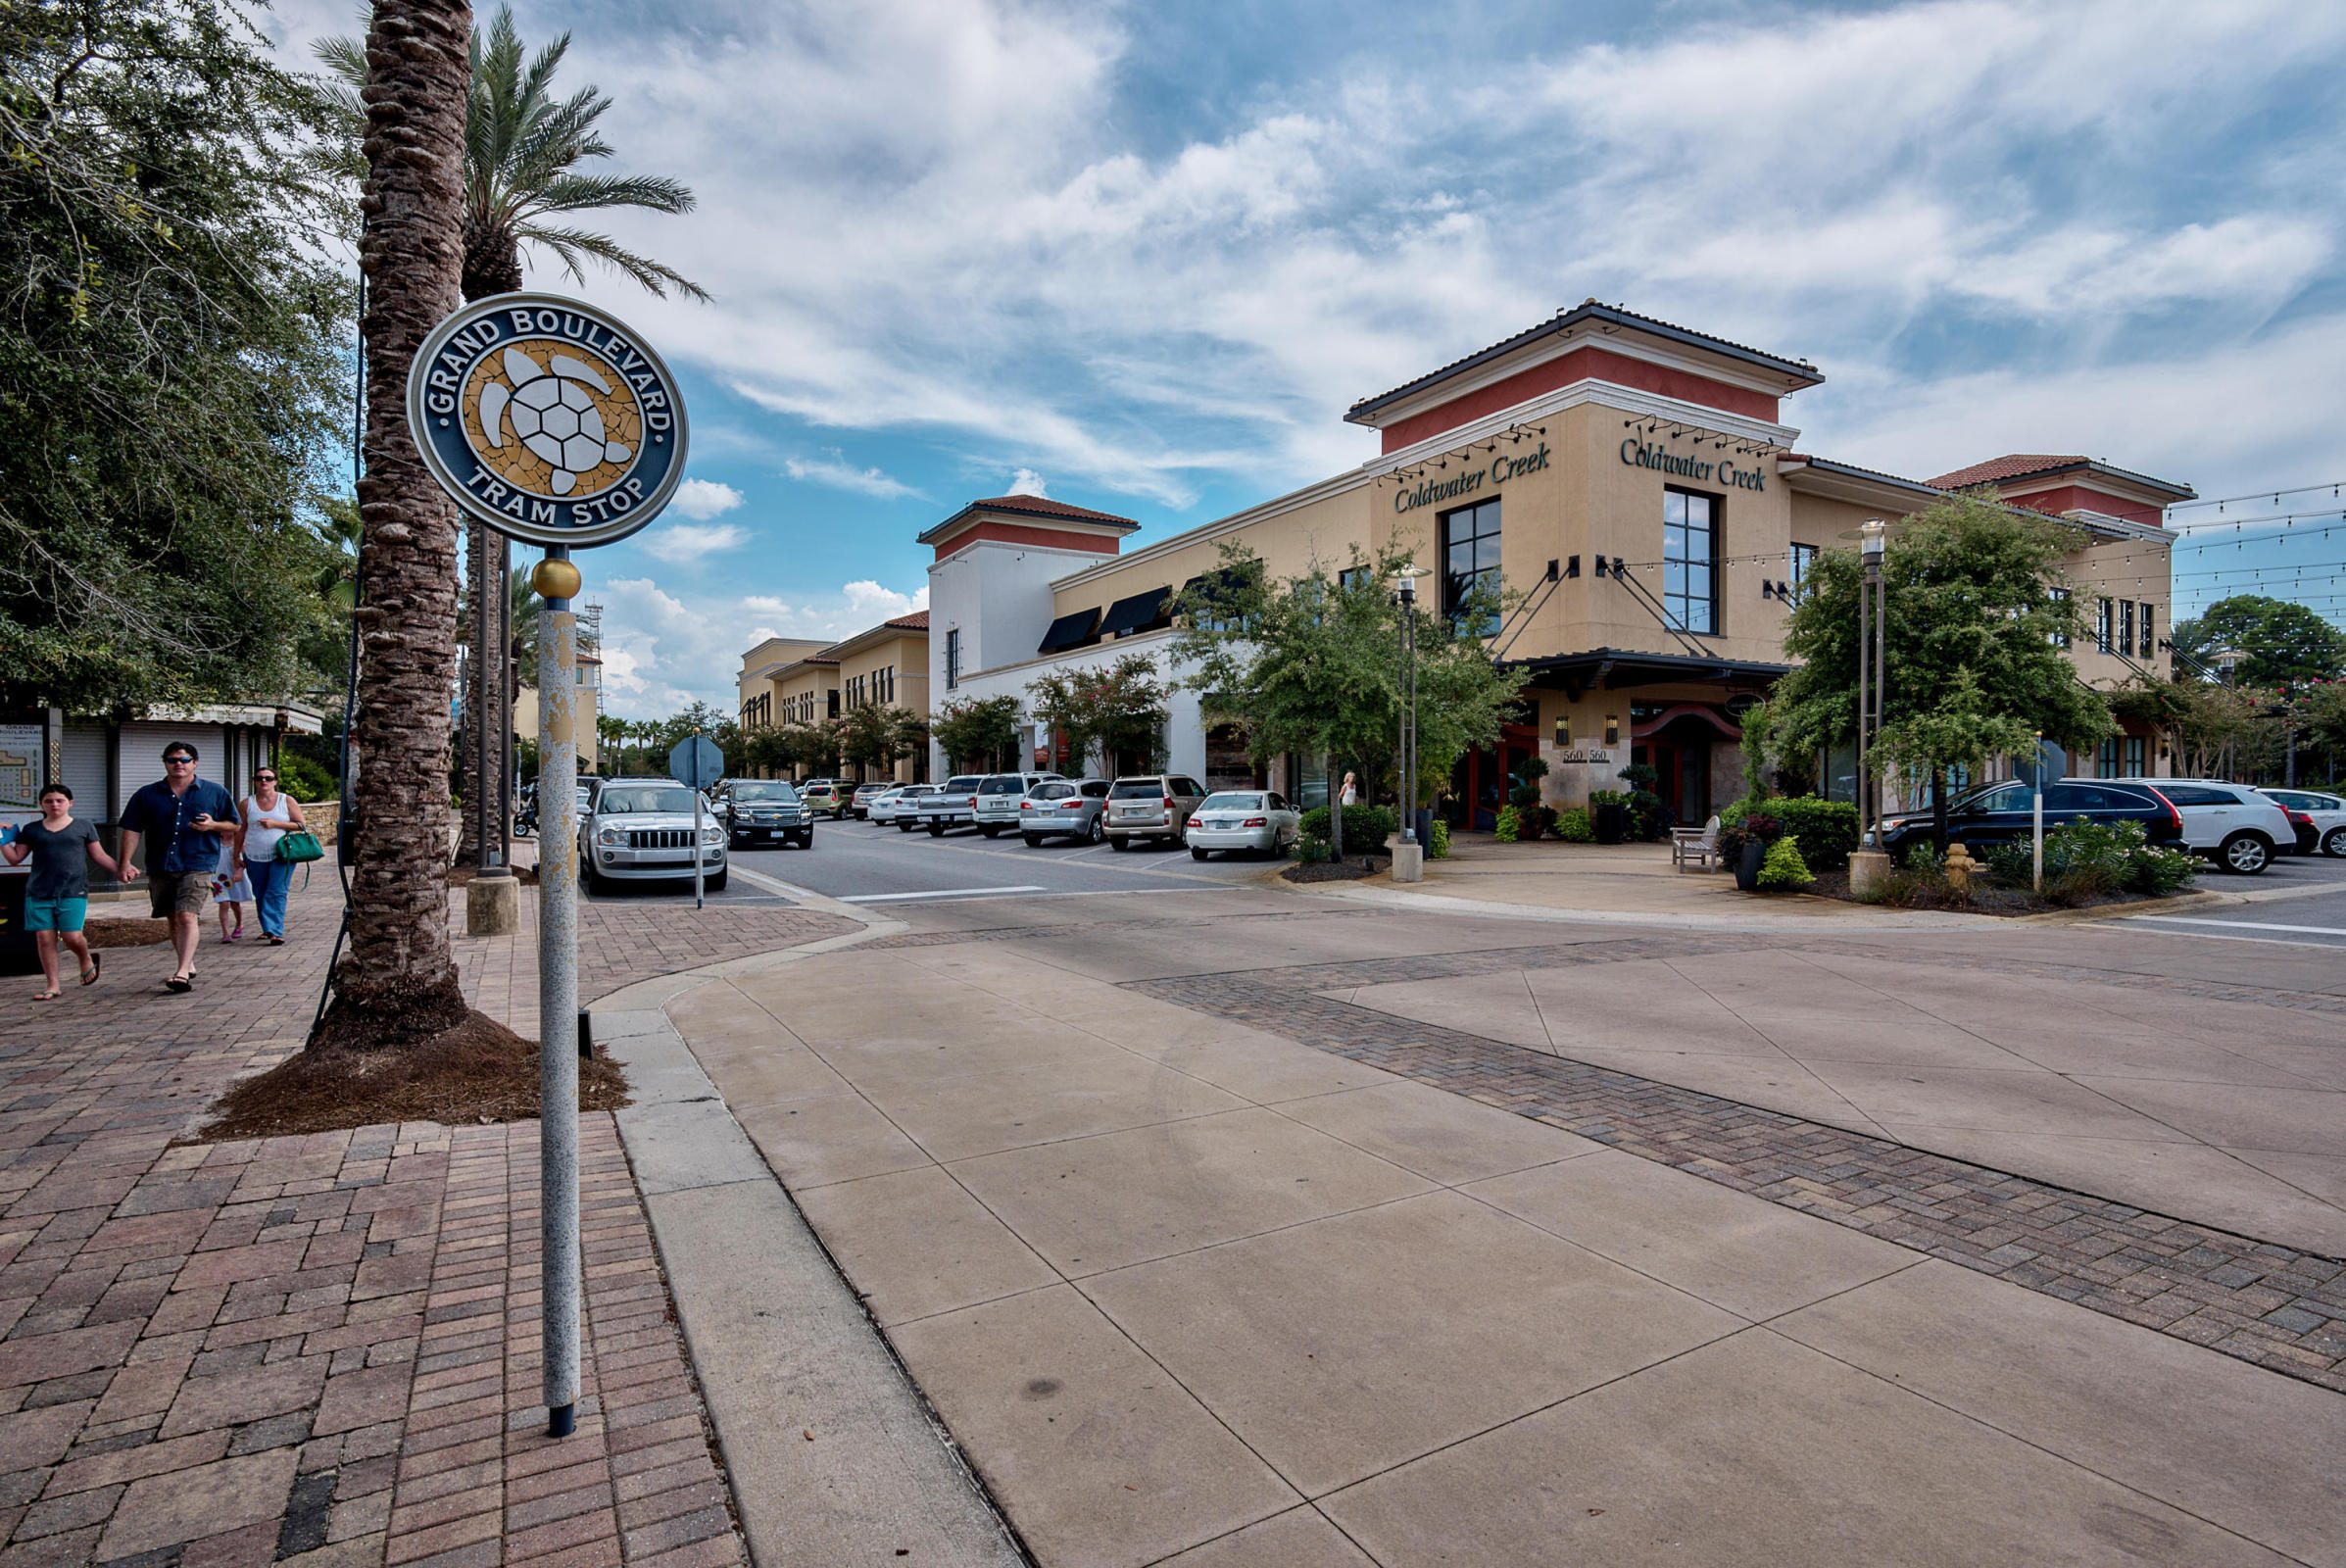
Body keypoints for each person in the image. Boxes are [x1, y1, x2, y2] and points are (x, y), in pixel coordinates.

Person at [117, 742, 238, 993]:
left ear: (195, 763)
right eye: (172, 760)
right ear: (165, 763)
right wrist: (125, 862)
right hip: (161, 863)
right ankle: (187, 961)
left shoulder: (214, 792)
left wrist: (213, 825)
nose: (178, 764)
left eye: (184, 760)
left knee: (187, 915)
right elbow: (132, 829)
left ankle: (182, 972)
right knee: (172, 917)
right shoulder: (147, 795)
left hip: (198, 862)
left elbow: (234, 825)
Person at [2, 783, 122, 1000]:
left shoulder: (83, 826)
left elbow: (99, 856)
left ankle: (85, 957)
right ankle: (52, 984)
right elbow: (14, 859)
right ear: (41, 805)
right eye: (48, 801)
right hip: (39, 891)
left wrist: (122, 870)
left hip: (73, 890)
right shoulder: (32, 830)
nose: (54, 805)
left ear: (70, 803)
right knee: (44, 938)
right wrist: (2, 839)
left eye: (59, 800)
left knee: (71, 936)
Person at [239, 765, 306, 946]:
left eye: (268, 778)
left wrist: (275, 824)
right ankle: (267, 928)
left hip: (282, 854)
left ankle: (276, 931)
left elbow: (301, 825)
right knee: (260, 892)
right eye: (260, 778)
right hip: (254, 855)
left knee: (276, 891)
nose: (264, 781)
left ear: (275, 781)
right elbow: (241, 831)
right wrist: (235, 855)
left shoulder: (286, 801)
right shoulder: (247, 804)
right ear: (254, 782)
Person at [212, 829, 251, 943]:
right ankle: (225, 933)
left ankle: (239, 924)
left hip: (233, 876)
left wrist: (240, 870)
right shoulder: (215, 842)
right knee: (223, 903)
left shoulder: (238, 843)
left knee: (235, 903)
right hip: (219, 877)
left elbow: (245, 859)